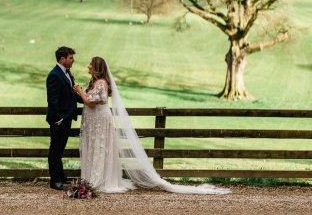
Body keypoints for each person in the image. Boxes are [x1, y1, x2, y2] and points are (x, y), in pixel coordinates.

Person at [74, 57, 231, 195]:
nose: (88, 66)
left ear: (97, 67)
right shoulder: (95, 82)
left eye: (90, 64)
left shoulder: (101, 83)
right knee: (95, 147)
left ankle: (97, 179)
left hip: (100, 121)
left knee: (101, 147)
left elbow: (91, 101)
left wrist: (80, 91)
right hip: (95, 122)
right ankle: (93, 178)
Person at [46, 46, 82, 190]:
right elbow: (52, 100)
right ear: (62, 59)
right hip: (59, 120)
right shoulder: (54, 75)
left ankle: (61, 178)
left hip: (67, 118)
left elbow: (72, 94)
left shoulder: (67, 73)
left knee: (59, 150)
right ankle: (55, 181)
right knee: (55, 150)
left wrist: (88, 100)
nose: (73, 60)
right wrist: (58, 118)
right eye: (71, 58)